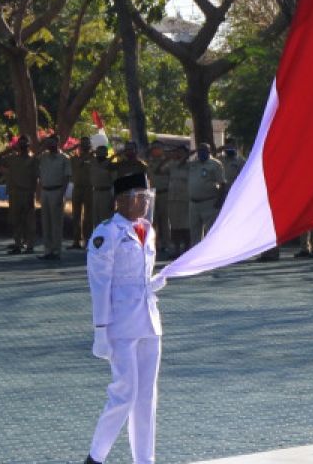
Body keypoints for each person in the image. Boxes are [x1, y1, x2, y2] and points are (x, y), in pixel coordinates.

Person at [84, 171, 165, 464]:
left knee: (146, 399)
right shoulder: (107, 233)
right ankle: (95, 457)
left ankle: (145, 460)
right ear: (121, 201)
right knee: (124, 395)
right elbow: (100, 283)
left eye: (147, 198)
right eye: (139, 198)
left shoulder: (147, 229)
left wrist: (152, 282)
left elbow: (137, 275)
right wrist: (100, 329)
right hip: (120, 323)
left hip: (148, 320)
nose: (145, 203)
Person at [2, 137, 39, 255]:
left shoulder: (33, 159)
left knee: (29, 221)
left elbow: (36, 177)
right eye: (21, 144)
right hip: (14, 193)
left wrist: (33, 191)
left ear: (29, 145)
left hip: (28, 192)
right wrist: (8, 150)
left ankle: (30, 246)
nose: (23, 146)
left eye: (25, 144)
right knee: (15, 220)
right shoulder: (12, 159)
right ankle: (17, 245)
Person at [37, 134, 72, 261]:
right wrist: (42, 147)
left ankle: (56, 250)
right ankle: (48, 250)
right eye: (48, 143)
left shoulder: (64, 158)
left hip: (57, 191)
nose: (50, 145)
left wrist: (62, 194)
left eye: (52, 143)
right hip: (45, 191)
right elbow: (34, 162)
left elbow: (67, 178)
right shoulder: (43, 157)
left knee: (56, 223)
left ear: (57, 143)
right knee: (45, 222)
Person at [187, 143, 225, 245]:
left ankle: (212, 253)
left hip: (209, 202)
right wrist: (190, 153)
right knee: (194, 232)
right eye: (199, 151)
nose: (201, 153)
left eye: (204, 150)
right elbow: (179, 164)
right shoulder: (193, 163)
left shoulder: (215, 164)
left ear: (209, 152)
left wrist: (219, 201)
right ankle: (196, 256)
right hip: (194, 203)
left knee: (210, 231)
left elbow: (222, 184)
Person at [165, 145, 191, 258]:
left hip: (185, 199)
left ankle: (187, 249)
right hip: (173, 199)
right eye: (177, 152)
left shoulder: (191, 165)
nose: (178, 154)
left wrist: (186, 157)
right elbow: (158, 171)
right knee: (174, 226)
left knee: (186, 225)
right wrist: (167, 158)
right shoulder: (172, 165)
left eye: (181, 152)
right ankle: (176, 249)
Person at [70, 137, 95, 249]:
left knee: (88, 216)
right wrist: (74, 147)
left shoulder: (93, 158)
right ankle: (76, 240)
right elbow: (64, 152)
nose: (85, 146)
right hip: (77, 188)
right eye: (83, 144)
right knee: (76, 215)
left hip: (89, 189)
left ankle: (87, 240)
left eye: (86, 144)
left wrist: (90, 153)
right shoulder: (74, 159)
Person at [148, 143, 171, 256]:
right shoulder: (148, 162)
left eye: (158, 148)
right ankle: (154, 243)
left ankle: (166, 243)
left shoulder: (168, 162)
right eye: (154, 149)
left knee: (164, 220)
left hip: (164, 193)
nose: (156, 151)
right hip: (152, 193)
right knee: (153, 220)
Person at [90, 145, 116, 227]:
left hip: (106, 193)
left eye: (102, 152)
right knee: (95, 219)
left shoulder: (111, 166)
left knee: (105, 220)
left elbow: (115, 183)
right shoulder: (93, 163)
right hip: (95, 192)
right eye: (98, 152)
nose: (100, 154)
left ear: (106, 153)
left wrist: (113, 199)